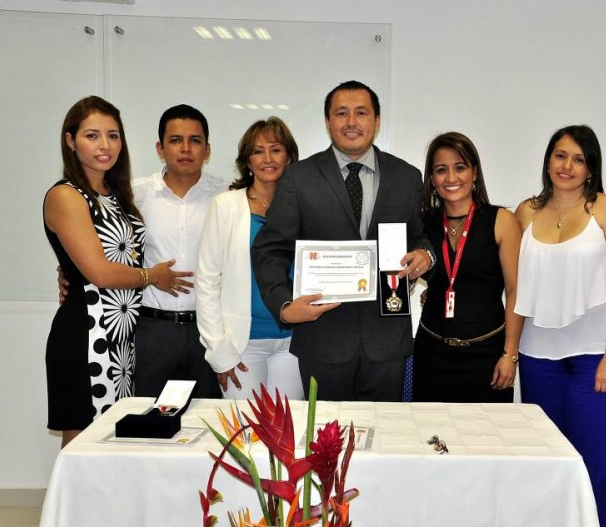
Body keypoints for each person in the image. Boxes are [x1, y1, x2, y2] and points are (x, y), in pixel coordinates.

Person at [252, 80, 434, 401]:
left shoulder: (406, 177)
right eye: (341, 114)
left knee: (382, 440)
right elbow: (270, 249)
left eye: (361, 113)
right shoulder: (299, 177)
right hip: (322, 337)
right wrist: (284, 306)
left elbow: (421, 235)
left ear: (376, 122)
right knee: (324, 442)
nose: (351, 122)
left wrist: (425, 255)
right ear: (327, 122)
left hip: (386, 340)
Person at [44, 96, 183, 447]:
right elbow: (101, 273)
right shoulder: (66, 195)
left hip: (120, 336)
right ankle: (70, 505)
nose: (105, 145)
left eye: (113, 135)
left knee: (114, 442)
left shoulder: (116, 194)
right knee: (82, 444)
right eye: (92, 135)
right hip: (86, 336)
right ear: (70, 140)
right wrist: (153, 277)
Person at [514, 125, 606, 527]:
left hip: (594, 359)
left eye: (578, 159)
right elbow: (512, 288)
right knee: (546, 465)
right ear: (548, 160)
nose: (567, 166)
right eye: (560, 155)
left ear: (591, 168)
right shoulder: (525, 212)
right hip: (536, 359)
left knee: (593, 468)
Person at [196, 118, 304, 400]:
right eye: (258, 151)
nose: (267, 158)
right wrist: (219, 352)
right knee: (243, 437)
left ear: (289, 156)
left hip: (292, 341)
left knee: (288, 435)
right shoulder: (225, 206)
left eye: (276, 149)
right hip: (241, 344)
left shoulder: (305, 207)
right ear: (246, 160)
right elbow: (206, 281)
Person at [412, 132, 521, 403]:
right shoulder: (422, 223)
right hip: (431, 355)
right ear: (432, 179)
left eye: (460, 167)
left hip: (486, 357)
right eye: (441, 170)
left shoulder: (501, 220)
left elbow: (517, 293)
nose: (451, 178)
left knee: (486, 444)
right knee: (429, 440)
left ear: (474, 173)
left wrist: (510, 354)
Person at [131, 105, 227, 399]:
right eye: (175, 140)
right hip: (152, 331)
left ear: (207, 149)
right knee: (148, 426)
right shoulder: (134, 194)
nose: (186, 149)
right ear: (160, 148)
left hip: (209, 331)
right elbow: (107, 248)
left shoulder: (228, 196)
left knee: (210, 428)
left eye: (195, 141)